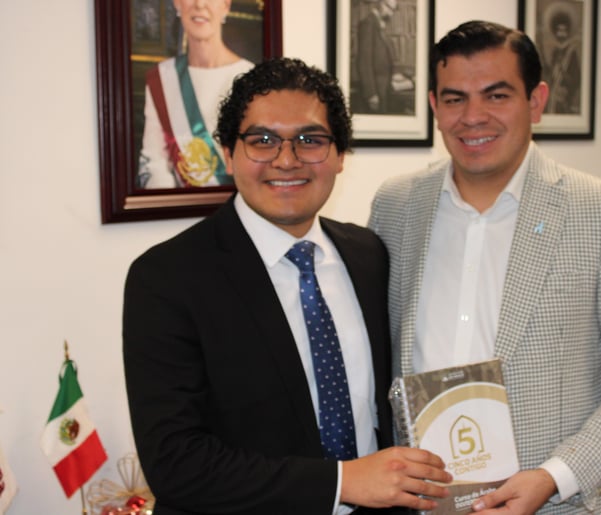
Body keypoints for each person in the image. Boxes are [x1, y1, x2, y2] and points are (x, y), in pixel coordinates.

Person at [368, 21, 601, 514]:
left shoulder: (600, 211)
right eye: (454, 99)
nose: (473, 117)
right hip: (425, 502)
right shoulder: (396, 206)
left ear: (536, 102)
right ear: (434, 106)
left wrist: (556, 476)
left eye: (496, 96)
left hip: (558, 504)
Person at [123, 57, 452, 514]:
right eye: (262, 140)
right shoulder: (166, 277)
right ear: (228, 153)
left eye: (310, 140)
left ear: (340, 155)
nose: (286, 159)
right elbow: (175, 463)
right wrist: (342, 482)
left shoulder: (368, 255)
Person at [137, 0, 253, 189]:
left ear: (226, 5)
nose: (199, 4)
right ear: (177, 3)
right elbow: (155, 161)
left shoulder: (249, 77)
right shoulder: (162, 78)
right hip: (180, 205)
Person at [355, 0, 398, 114]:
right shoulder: (368, 23)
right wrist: (371, 93)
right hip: (375, 90)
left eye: (393, 10)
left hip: (384, 87)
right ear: (380, 3)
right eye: (388, 7)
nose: (391, 13)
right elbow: (364, 62)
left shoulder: (380, 23)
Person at [541, 3, 581, 114]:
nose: (561, 34)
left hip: (565, 95)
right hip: (553, 95)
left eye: (564, 31)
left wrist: (566, 87)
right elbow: (551, 74)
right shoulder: (555, 52)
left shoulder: (572, 52)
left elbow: (576, 76)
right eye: (559, 31)